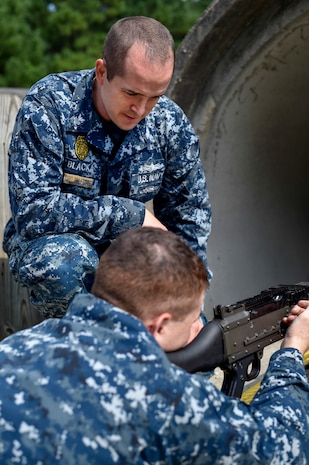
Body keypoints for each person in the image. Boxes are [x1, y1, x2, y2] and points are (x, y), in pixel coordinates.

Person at [0, 226, 308, 465]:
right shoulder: (163, 394)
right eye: (191, 321)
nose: (198, 327)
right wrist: (293, 348)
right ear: (159, 325)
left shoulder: (13, 348)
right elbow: (282, 449)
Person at [2, 15, 212, 318]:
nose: (141, 110)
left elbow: (189, 216)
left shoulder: (169, 122)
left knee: (194, 340)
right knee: (63, 263)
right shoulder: (50, 105)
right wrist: (131, 215)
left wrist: (189, 287)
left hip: (128, 257)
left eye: (155, 97)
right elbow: (33, 212)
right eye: (132, 93)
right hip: (57, 249)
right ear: (102, 72)